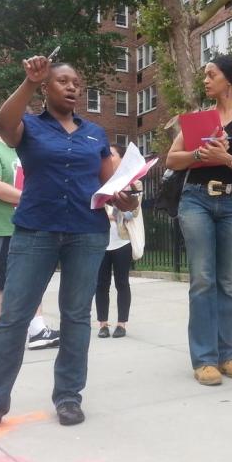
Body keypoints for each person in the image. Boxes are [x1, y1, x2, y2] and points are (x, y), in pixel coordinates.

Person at [0, 56, 138, 438]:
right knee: (14, 318)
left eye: (77, 82)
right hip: (35, 231)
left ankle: (69, 396)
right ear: (47, 88)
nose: (73, 87)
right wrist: (28, 81)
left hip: (86, 233)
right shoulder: (30, 128)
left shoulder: (95, 134)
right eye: (63, 81)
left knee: (76, 317)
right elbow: (4, 124)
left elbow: (110, 188)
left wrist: (127, 199)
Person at [166, 55, 232, 386]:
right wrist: (199, 155)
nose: (206, 81)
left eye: (212, 75)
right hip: (196, 200)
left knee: (226, 281)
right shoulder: (198, 119)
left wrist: (225, 158)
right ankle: (204, 359)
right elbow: (172, 159)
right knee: (203, 280)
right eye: (205, 76)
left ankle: (227, 355)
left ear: (230, 80)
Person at [0, 134, 60, 350]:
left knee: (33, 280)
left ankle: (37, 330)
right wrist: (32, 198)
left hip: (29, 227)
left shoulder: (26, 151)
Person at [95, 144, 139, 339]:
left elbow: (133, 212)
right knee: (101, 283)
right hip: (101, 241)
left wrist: (114, 213)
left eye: (111, 154)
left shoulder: (134, 183)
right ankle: (103, 324)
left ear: (121, 158)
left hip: (122, 241)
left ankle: (121, 323)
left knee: (122, 282)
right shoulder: (98, 181)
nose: (107, 157)